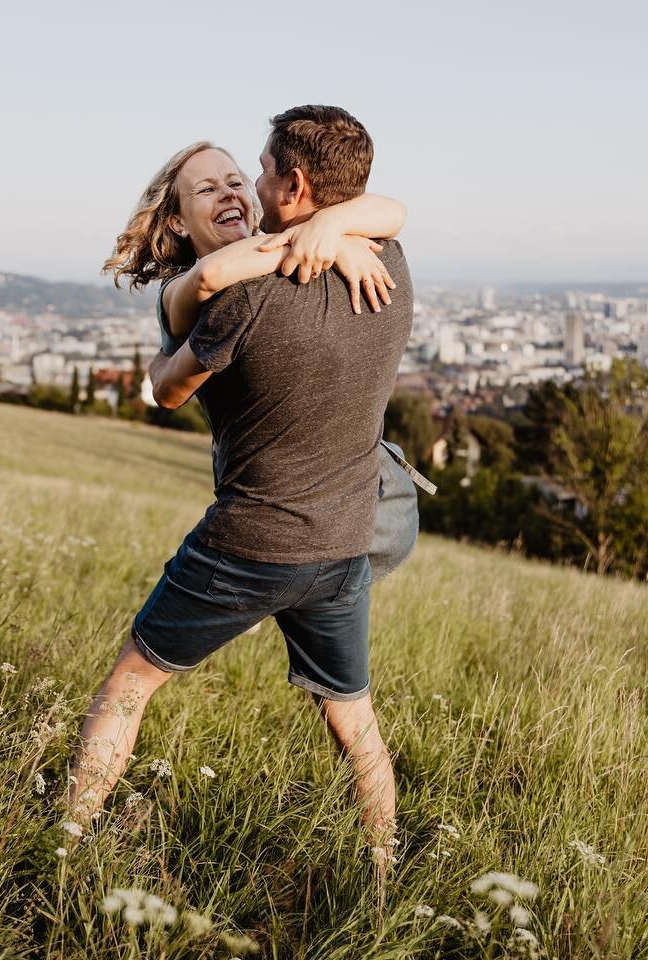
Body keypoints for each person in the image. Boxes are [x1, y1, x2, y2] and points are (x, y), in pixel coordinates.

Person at [69, 107, 414, 878]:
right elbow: (386, 210)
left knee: (131, 682)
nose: (239, 189)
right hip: (345, 542)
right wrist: (320, 234)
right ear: (180, 219)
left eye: (246, 176)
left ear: (289, 185)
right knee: (354, 721)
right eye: (212, 188)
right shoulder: (386, 256)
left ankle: (62, 845)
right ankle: (387, 872)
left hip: (255, 542)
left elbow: (166, 389)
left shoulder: (243, 301)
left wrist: (283, 249)